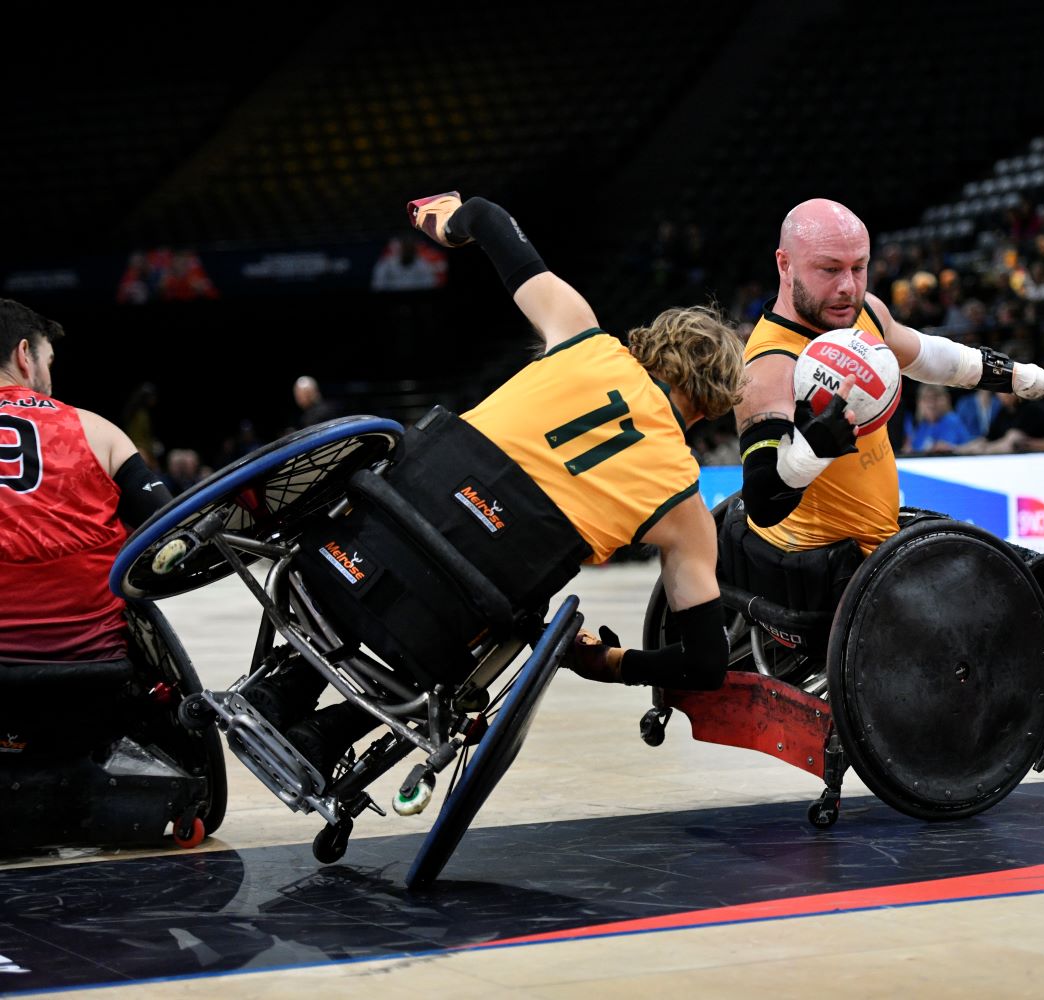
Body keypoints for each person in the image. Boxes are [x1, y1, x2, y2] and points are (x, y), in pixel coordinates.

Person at [248, 193, 744, 774]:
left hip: (344, 557)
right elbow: (707, 664)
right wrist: (608, 662)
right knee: (492, 614)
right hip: (437, 634)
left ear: (650, 344)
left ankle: (284, 685)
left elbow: (487, 217)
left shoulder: (585, 338)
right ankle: (330, 732)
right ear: (710, 411)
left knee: (417, 512)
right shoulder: (682, 504)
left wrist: (445, 218)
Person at [734, 198, 1044, 558]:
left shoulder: (862, 311)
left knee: (1027, 576)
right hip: (823, 562)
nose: (848, 287)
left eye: (859, 268)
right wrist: (810, 454)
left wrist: (1007, 374)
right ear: (785, 264)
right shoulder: (768, 366)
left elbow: (928, 356)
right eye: (830, 269)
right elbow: (761, 502)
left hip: (881, 546)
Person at [0, 299, 172, 663]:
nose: (49, 378)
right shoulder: (95, 429)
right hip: (94, 659)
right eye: (49, 363)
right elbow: (167, 524)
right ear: (24, 354)